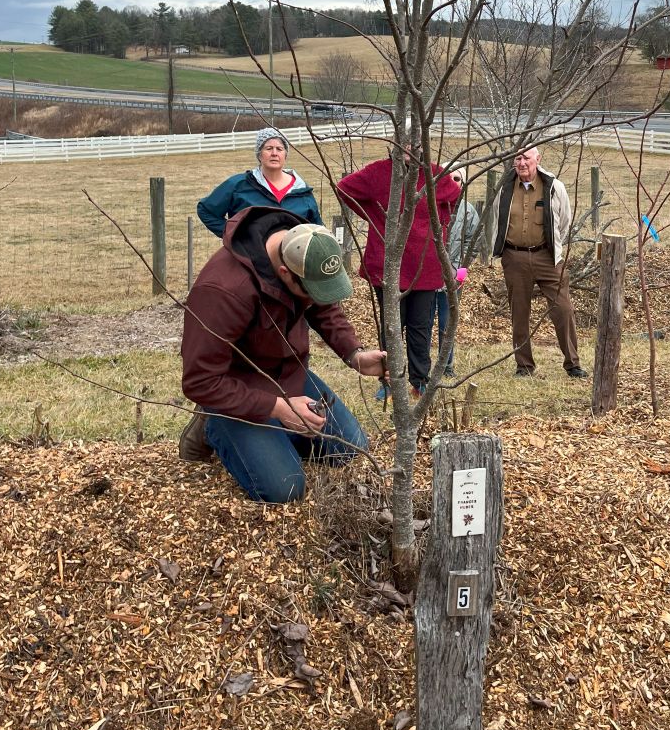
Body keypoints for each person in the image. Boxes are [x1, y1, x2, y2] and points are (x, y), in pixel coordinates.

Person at [178, 209, 386, 502]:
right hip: (237, 384)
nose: (314, 298)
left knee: (350, 450)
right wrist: (277, 408)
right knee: (284, 489)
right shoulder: (223, 290)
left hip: (288, 374)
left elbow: (322, 305)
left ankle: (271, 436)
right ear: (285, 273)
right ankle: (212, 423)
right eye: (310, 292)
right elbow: (199, 381)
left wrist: (356, 355)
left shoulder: (303, 248)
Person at [337, 148, 460, 394]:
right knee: (392, 326)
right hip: (388, 263)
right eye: (404, 143)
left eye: (415, 144)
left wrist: (433, 224)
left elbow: (454, 195)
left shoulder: (434, 174)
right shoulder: (379, 172)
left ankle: (420, 381)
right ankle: (390, 381)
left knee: (420, 326)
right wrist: (373, 214)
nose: (410, 149)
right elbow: (344, 187)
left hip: (424, 265)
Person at [493, 145, 586, 379]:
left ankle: (572, 364)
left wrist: (552, 248)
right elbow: (497, 219)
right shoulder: (505, 188)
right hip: (514, 258)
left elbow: (564, 223)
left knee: (563, 310)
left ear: (537, 159)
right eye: (517, 158)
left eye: (526, 157)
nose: (522, 162)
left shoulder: (554, 187)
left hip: (548, 258)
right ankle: (524, 366)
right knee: (519, 312)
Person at [196, 127, 320, 236]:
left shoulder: (302, 191)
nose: (274, 153)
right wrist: (232, 235)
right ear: (259, 154)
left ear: (285, 155)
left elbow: (317, 230)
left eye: (280, 149)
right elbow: (206, 210)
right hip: (248, 260)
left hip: (290, 260)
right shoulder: (239, 185)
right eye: (269, 148)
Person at [432, 169, 484, 375]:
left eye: (457, 179)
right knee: (424, 323)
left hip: (452, 277)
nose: (452, 183)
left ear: (462, 183)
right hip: (426, 275)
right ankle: (422, 366)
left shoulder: (468, 210)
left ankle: (446, 365)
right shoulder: (429, 205)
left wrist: (459, 268)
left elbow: (474, 240)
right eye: (448, 178)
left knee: (447, 322)